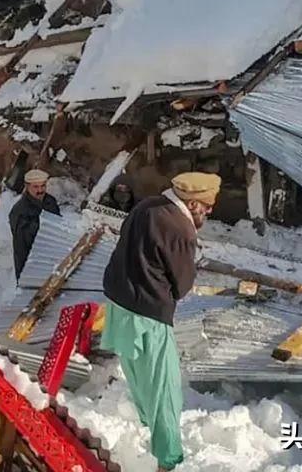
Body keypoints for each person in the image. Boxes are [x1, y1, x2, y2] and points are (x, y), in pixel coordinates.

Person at [101, 171, 221, 472]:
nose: (210, 211)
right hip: (148, 312)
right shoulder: (180, 228)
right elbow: (182, 286)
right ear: (192, 204)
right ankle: (167, 460)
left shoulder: (146, 206)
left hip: (118, 302)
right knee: (164, 387)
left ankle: (146, 422)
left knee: (138, 372)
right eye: (206, 206)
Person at [8, 169, 60, 279]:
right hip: (32, 265)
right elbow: (23, 245)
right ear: (27, 187)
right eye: (36, 187)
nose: (40, 190)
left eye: (43, 186)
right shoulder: (19, 212)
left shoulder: (50, 202)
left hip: (52, 260)